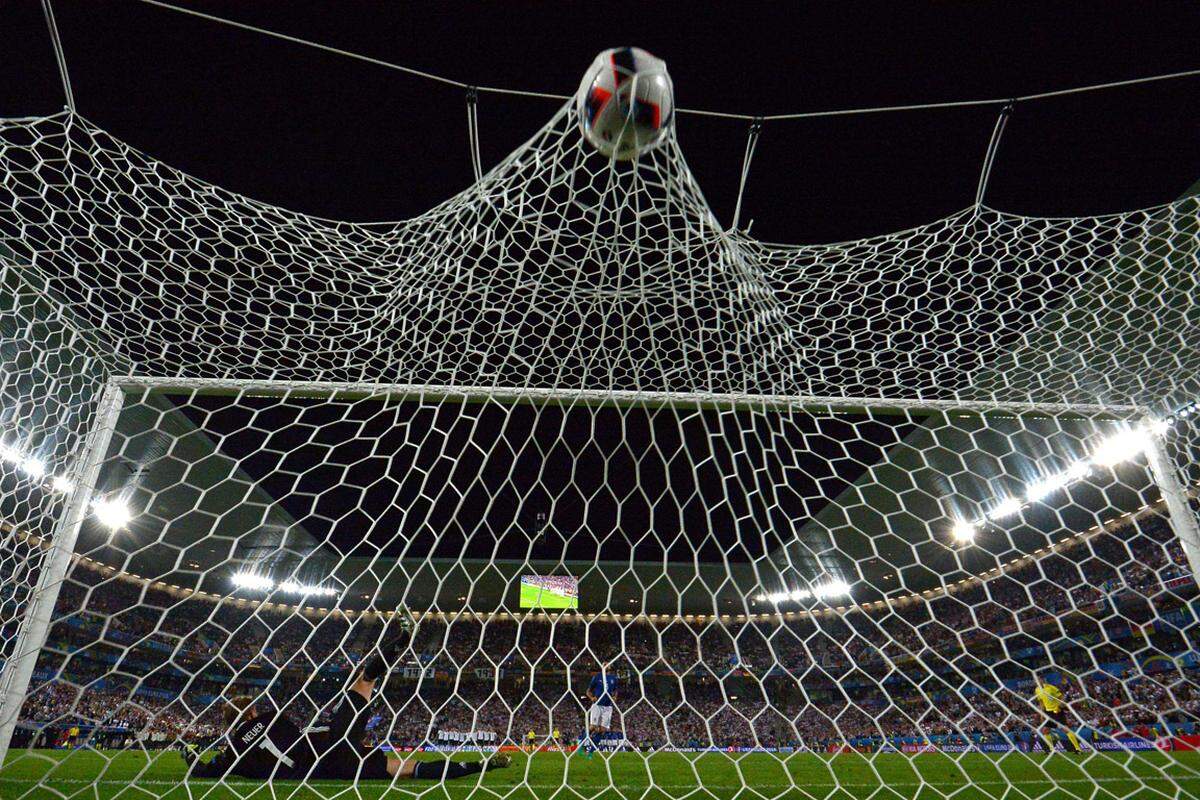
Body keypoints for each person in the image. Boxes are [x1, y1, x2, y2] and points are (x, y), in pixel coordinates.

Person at [182, 621, 510, 782]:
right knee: (364, 680)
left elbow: (204, 772)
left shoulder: (232, 754)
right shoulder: (271, 717)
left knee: (406, 770)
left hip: (330, 770)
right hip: (332, 745)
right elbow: (297, 736)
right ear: (250, 710)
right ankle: (402, 641)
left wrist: (187, 751)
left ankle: (481, 766)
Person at [1033, 673, 1082, 754]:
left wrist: (1060, 705)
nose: (1037, 681)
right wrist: (1042, 714)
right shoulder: (1037, 690)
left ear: (1042, 680)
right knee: (1045, 731)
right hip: (1048, 712)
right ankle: (1052, 750)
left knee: (1065, 729)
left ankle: (1078, 749)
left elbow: (1061, 697)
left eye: (1038, 679)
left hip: (1057, 711)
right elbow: (1041, 702)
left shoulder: (1050, 688)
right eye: (1036, 680)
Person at [582, 664, 618, 758]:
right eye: (604, 664)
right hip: (597, 705)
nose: (606, 665)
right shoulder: (597, 677)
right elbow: (588, 691)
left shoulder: (613, 678)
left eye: (608, 664)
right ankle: (581, 746)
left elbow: (615, 691)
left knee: (602, 730)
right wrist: (591, 697)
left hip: (608, 707)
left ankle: (591, 752)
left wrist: (614, 697)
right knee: (593, 727)